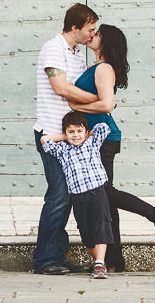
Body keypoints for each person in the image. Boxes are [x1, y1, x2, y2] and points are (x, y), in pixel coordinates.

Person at [74, 23, 155, 272]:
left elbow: (107, 105)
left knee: (102, 193)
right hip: (99, 138)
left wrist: (77, 107)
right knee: (106, 199)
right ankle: (115, 259)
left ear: (106, 41)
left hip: (102, 137)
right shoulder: (96, 67)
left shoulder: (103, 68)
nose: (93, 35)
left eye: (97, 33)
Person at [33, 2, 104, 275]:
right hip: (52, 135)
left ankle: (57, 256)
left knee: (66, 198)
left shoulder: (75, 53)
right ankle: (45, 261)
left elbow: (82, 83)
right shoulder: (54, 48)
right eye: (90, 29)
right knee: (58, 197)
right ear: (75, 27)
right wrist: (99, 101)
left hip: (70, 138)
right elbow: (61, 87)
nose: (92, 34)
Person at [41, 113, 113, 279]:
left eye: (79, 131)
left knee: (100, 225)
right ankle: (99, 264)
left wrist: (87, 133)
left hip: (97, 192)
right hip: (78, 197)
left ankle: (100, 264)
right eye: (71, 132)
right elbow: (44, 140)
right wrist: (63, 137)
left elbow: (102, 128)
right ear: (66, 133)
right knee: (86, 232)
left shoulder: (92, 143)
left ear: (85, 131)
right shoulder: (63, 150)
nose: (75, 135)